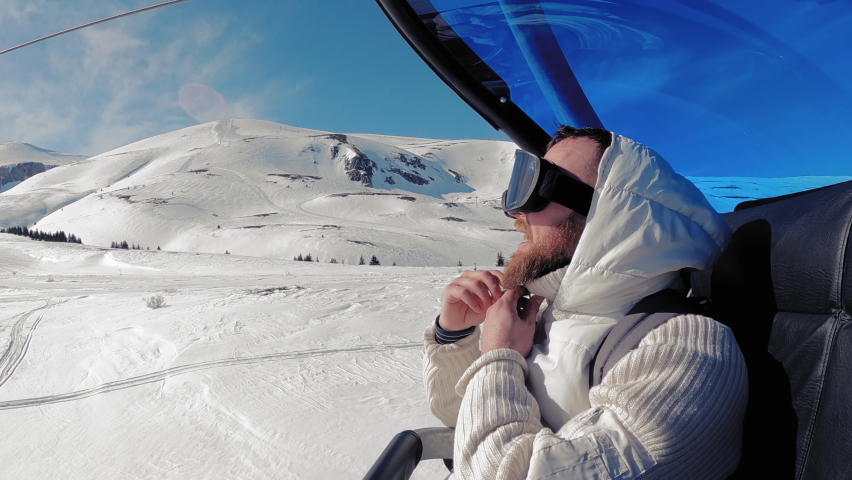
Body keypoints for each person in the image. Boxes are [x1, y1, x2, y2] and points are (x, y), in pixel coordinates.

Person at [424, 126, 747, 479]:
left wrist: (499, 355)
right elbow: (463, 422)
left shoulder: (686, 349)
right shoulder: (548, 314)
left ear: (611, 214)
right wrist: (454, 337)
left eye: (536, 188)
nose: (517, 216)